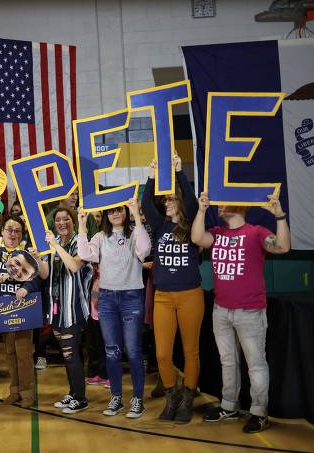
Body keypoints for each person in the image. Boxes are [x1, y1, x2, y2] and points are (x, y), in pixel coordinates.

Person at [192, 192, 290, 433]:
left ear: (242, 206)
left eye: (226, 201)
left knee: (255, 364)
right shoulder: (216, 233)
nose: (221, 204)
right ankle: (229, 405)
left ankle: (259, 412)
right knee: (228, 362)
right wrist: (202, 210)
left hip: (250, 311)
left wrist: (279, 216)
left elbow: (282, 246)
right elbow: (196, 238)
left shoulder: (256, 232)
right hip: (221, 310)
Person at [141, 156, 203, 423]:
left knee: (191, 351)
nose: (166, 203)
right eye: (164, 200)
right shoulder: (160, 225)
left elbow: (191, 202)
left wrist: (179, 172)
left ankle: (188, 398)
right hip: (163, 297)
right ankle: (171, 397)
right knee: (162, 353)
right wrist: (151, 176)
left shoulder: (190, 226)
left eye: (170, 200)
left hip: (190, 294)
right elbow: (145, 203)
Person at [77, 198, 151, 418]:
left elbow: (145, 249)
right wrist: (81, 224)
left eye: (119, 209)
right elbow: (84, 254)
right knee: (112, 351)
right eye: (111, 210)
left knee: (134, 351)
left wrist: (136, 214)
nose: (115, 213)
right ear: (106, 215)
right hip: (107, 298)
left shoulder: (134, 234)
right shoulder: (100, 237)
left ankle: (137, 399)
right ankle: (116, 398)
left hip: (131, 297)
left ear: (125, 212)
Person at [0, 215, 47, 408]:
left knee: (23, 351)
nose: (12, 234)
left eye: (17, 231)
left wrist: (26, 288)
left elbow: (38, 277)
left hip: (24, 307)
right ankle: (14, 390)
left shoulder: (27, 251)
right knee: (9, 352)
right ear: (2, 231)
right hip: (2, 308)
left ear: (22, 233)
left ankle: (27, 391)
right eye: (9, 230)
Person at [44, 207, 95, 414]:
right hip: (57, 306)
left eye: (66, 219)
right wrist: (37, 258)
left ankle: (81, 398)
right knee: (67, 354)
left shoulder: (80, 242)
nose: (62, 222)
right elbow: (46, 274)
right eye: (58, 219)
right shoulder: (54, 241)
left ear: (74, 221)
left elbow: (74, 266)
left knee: (71, 353)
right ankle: (73, 393)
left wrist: (56, 246)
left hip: (73, 307)